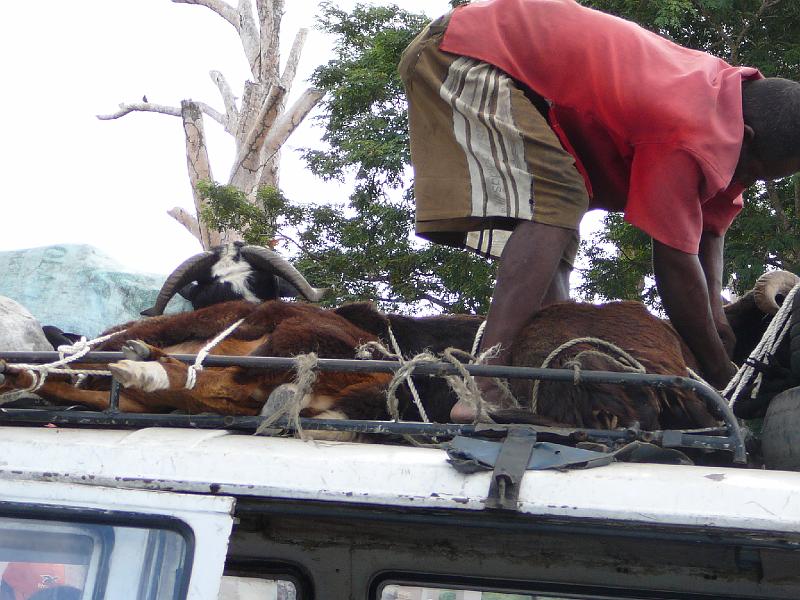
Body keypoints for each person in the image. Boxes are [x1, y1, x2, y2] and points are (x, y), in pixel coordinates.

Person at [398, 0, 800, 422]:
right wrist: (721, 376)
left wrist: (718, 326)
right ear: (748, 139)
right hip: (467, 50)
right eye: (755, 172)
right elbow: (676, 266)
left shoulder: (727, 107)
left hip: (508, 69)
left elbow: (708, 232)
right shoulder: (685, 127)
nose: (747, 182)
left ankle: (543, 380)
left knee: (555, 227)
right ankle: (483, 385)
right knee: (557, 199)